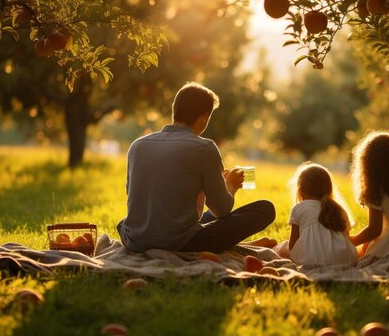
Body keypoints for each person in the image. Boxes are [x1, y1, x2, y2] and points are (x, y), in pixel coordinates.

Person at [117, 82, 276, 253]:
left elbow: (140, 195)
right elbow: (222, 210)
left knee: (204, 218)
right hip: (180, 243)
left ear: (175, 110)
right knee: (265, 209)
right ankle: (239, 246)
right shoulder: (204, 148)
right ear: (204, 117)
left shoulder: (137, 145)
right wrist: (229, 186)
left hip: (134, 239)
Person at [274, 162, 358, 266]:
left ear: (300, 191)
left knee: (281, 249)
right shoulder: (338, 209)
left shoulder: (298, 208)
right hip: (346, 260)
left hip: (310, 261)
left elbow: (292, 246)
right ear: (329, 189)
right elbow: (346, 238)